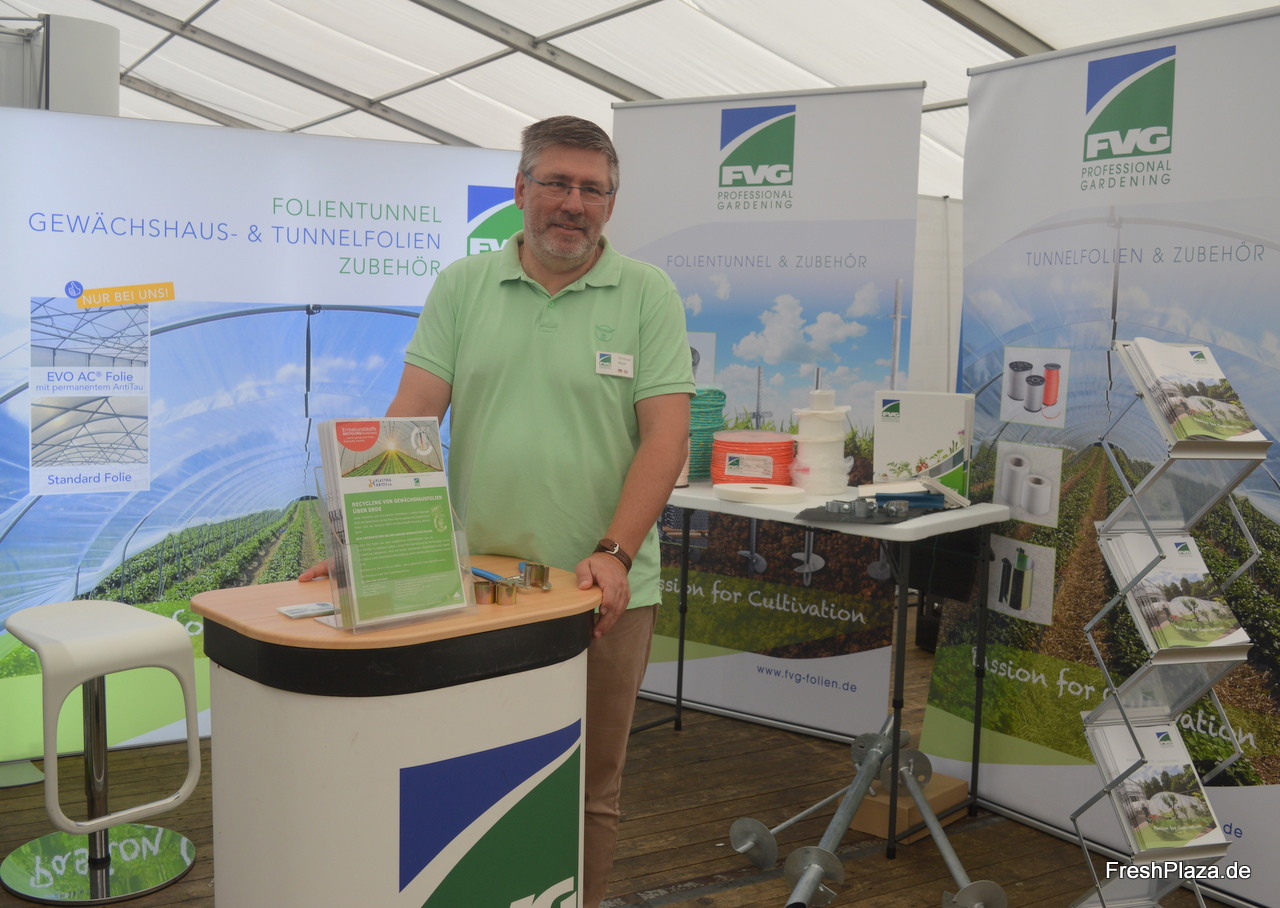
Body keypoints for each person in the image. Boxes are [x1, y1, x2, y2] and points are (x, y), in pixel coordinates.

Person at [306, 115, 693, 906]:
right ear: (520, 189)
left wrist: (615, 554)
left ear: (611, 204)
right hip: (478, 589)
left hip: (601, 594)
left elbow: (666, 438)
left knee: (588, 788)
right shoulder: (463, 285)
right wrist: (363, 544)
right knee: (468, 775)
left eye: (592, 189)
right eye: (556, 182)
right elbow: (412, 418)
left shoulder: (647, 293)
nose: (573, 203)